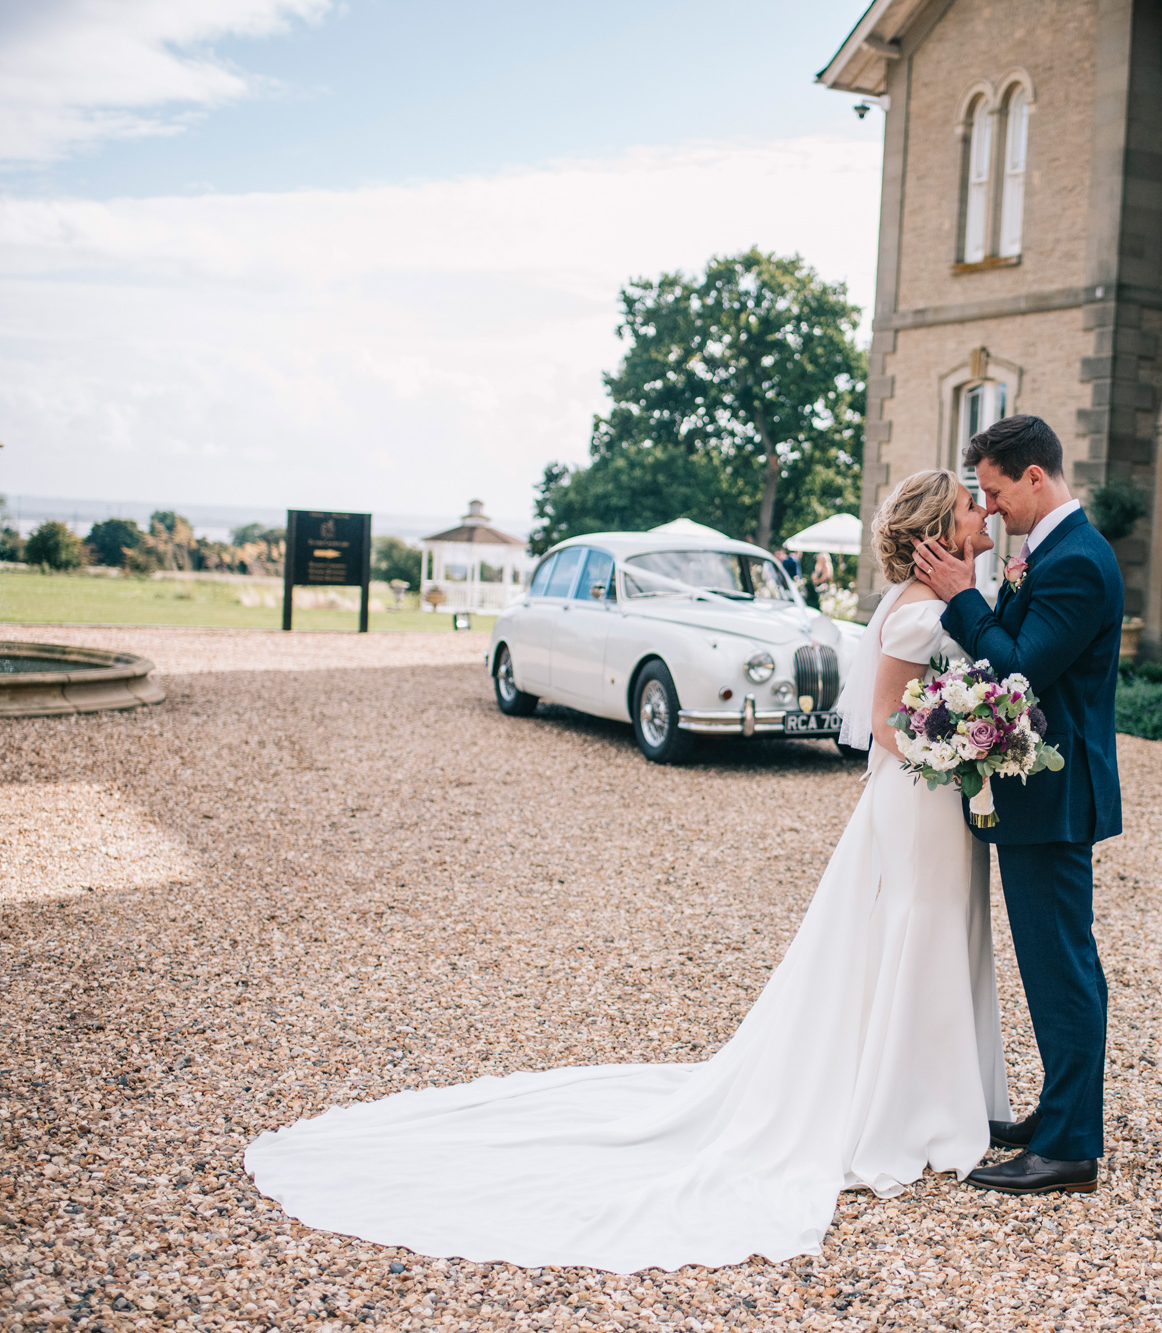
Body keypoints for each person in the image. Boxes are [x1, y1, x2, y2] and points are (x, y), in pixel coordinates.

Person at [245, 470, 1008, 1272]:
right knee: (913, 930)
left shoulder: (927, 603)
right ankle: (907, 1106)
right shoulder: (920, 610)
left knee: (915, 933)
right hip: (921, 789)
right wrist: (958, 748)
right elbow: (890, 718)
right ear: (936, 533)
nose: (979, 510)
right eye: (967, 505)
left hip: (932, 794)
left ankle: (920, 1090)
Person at [912, 413, 1124, 1197]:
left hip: (1057, 792)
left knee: (1062, 965)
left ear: (1036, 476)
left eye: (996, 492)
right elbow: (1009, 639)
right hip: (1038, 792)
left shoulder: (1076, 563)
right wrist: (984, 597)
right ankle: (1060, 1112)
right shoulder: (1044, 552)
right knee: (1050, 961)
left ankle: (1069, 1148)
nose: (989, 508)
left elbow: (1020, 673)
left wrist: (963, 598)